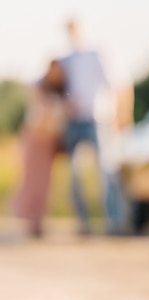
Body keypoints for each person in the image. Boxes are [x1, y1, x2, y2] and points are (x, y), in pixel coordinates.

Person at [59, 18, 134, 236]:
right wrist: (66, 104)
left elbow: (120, 83)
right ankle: (84, 223)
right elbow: (57, 88)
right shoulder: (66, 60)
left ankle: (116, 221)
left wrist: (124, 113)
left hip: (99, 120)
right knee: (75, 174)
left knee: (106, 171)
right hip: (74, 122)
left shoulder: (96, 55)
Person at [13, 59, 67, 238]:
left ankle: (38, 220)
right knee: (31, 182)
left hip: (49, 144)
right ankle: (32, 221)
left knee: (45, 184)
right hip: (35, 141)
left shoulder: (61, 93)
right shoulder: (39, 90)